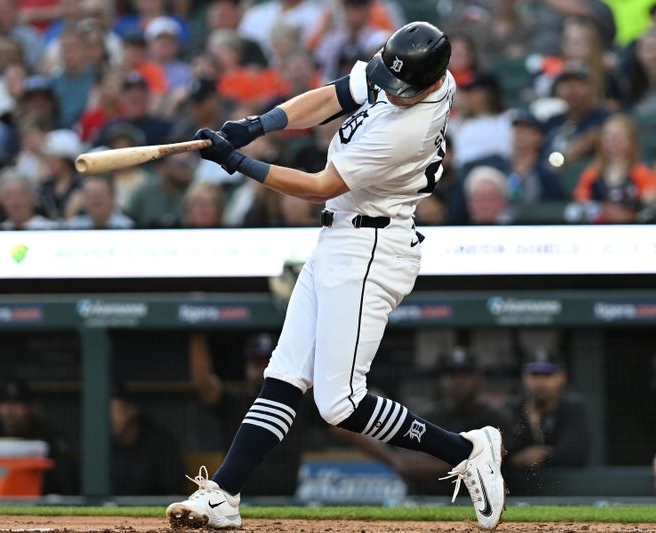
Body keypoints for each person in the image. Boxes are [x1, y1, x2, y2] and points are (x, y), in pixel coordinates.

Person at [166, 22, 506, 531]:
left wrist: (239, 161)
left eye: (399, 88)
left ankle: (467, 449)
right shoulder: (409, 70)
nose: (388, 91)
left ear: (429, 82)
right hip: (340, 241)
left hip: (372, 246)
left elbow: (320, 186)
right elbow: (333, 96)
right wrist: (257, 125)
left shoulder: (405, 130)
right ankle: (225, 494)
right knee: (283, 376)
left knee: (340, 403)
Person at [335, 348, 513, 492]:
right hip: (423, 498)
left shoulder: (495, 417)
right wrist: (394, 460)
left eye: (464, 375)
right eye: (452, 375)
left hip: (471, 499)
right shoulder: (429, 414)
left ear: (477, 378)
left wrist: (406, 463)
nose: (458, 381)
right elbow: (399, 454)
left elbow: (463, 463)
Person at [189, 333, 307, 496]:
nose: (264, 369)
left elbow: (336, 422)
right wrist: (197, 331)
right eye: (258, 363)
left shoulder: (298, 402)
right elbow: (204, 385)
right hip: (238, 498)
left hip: (285, 498)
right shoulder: (234, 402)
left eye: (269, 362)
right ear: (247, 366)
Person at [0, 379, 78, 495]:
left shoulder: (48, 436)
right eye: (4, 402)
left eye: (17, 403)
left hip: (34, 500)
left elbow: (66, 483)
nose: (9, 409)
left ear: (30, 407)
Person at [505, 350, 590, 472]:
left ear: (562, 378)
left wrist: (541, 456)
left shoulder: (573, 408)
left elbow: (574, 454)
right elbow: (498, 455)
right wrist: (517, 459)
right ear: (523, 378)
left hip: (566, 486)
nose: (540, 382)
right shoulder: (510, 409)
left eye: (547, 375)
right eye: (534, 375)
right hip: (519, 488)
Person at [572, 113, 655, 223]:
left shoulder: (640, 172)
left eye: (618, 136)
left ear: (631, 140)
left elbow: (650, 200)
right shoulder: (592, 173)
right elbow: (581, 199)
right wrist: (602, 208)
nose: (613, 141)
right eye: (608, 136)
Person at [110, 383, 186, 496]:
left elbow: (173, 489)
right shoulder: (100, 446)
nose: (110, 419)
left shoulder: (161, 444)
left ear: (131, 410)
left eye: (115, 412)